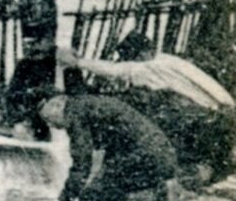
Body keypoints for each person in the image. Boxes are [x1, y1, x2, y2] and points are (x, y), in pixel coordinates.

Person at [60, 35, 234, 181]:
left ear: (141, 54)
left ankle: (193, 169)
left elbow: (115, 70)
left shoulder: (148, 67)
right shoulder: (168, 60)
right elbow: (207, 83)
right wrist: (226, 103)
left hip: (196, 115)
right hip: (211, 110)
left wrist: (78, 63)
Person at [41, 92, 195, 201]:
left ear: (58, 104)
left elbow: (82, 161)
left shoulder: (74, 111)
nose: (50, 125)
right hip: (161, 153)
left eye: (48, 119)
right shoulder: (90, 103)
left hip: (142, 155)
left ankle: (157, 198)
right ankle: (165, 195)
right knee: (101, 191)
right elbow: (115, 144)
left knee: (90, 199)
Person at [6, 0, 60, 141]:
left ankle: (39, 130)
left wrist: (41, 42)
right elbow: (23, 16)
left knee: (41, 90)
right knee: (23, 86)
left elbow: (48, 20)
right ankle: (27, 125)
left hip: (43, 50)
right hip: (35, 47)